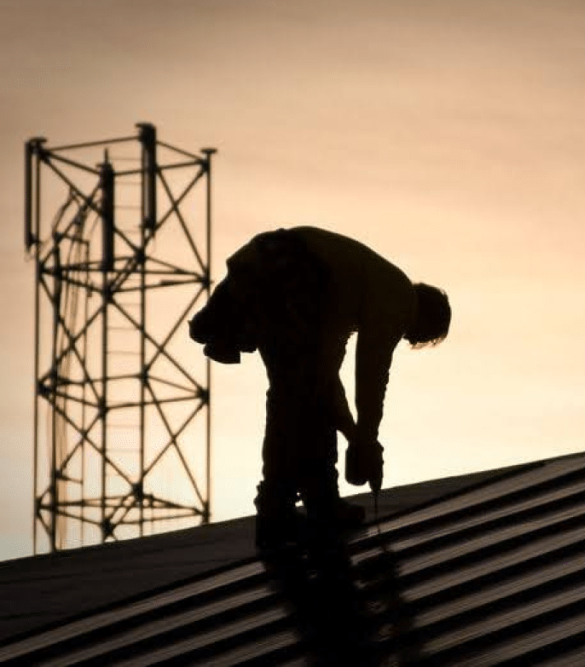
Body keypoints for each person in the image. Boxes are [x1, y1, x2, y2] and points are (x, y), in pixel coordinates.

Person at [188, 226, 451, 548]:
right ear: (425, 318)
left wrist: (355, 436)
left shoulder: (345, 303)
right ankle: (289, 508)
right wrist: (367, 440)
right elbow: (371, 373)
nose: (409, 339)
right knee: (295, 399)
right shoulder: (399, 299)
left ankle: (310, 503)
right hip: (286, 272)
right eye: (419, 337)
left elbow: (326, 383)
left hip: (259, 269)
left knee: (301, 394)